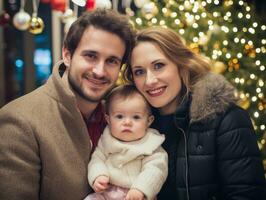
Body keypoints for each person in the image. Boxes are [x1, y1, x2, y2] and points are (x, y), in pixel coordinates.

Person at [0, 9, 135, 200]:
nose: (99, 71)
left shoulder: (118, 117)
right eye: (90, 56)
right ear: (67, 55)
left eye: (112, 61)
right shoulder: (19, 121)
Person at [123, 26, 266, 200]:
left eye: (158, 66)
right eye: (139, 72)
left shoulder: (227, 120)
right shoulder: (131, 124)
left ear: (181, 65)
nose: (150, 80)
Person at [84, 85, 168, 200]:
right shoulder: (106, 140)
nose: (127, 122)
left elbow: (156, 170)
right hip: (107, 191)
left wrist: (140, 189)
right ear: (108, 120)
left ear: (148, 121)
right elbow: (96, 159)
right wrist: (98, 175)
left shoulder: (151, 144)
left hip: (135, 194)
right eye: (119, 116)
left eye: (136, 117)